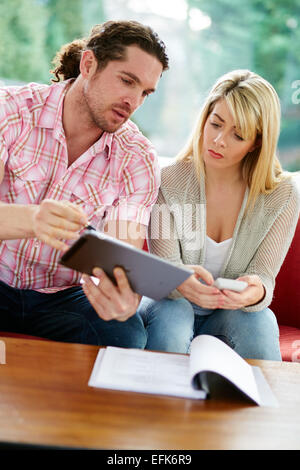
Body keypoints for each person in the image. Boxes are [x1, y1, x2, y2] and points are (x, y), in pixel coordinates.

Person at [0, 20, 169, 346]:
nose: (133, 101)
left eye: (144, 92)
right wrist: (33, 221)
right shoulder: (10, 112)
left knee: (127, 333)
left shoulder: (138, 158)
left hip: (63, 297)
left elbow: (122, 253)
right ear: (89, 64)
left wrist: (123, 296)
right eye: (127, 81)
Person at [138, 69, 300, 359]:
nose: (219, 140)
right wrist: (181, 281)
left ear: (257, 143)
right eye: (216, 124)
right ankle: (157, 403)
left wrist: (256, 292)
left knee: (261, 321)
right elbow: (165, 271)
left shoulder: (282, 195)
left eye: (238, 135)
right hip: (169, 304)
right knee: (175, 317)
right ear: (205, 119)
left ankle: (263, 404)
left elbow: (264, 276)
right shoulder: (169, 181)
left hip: (229, 313)